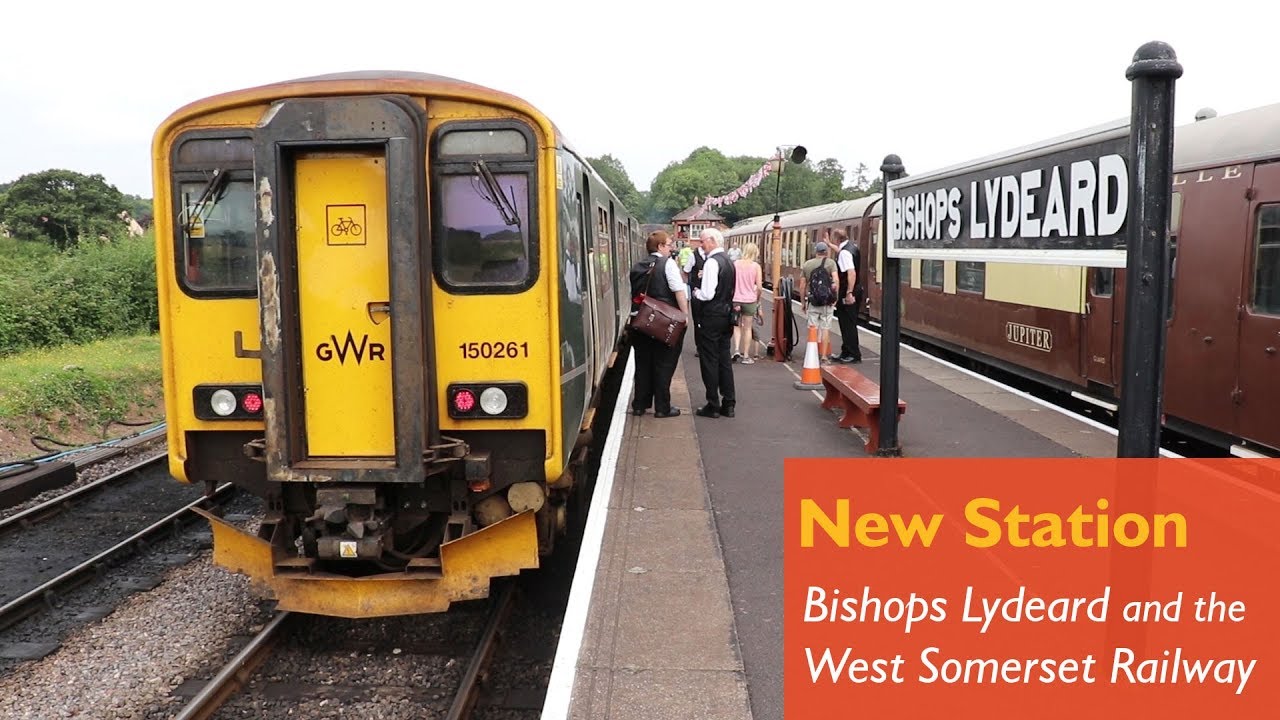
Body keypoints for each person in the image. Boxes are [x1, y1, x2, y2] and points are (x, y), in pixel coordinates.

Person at [628, 231, 690, 418]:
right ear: (660, 246)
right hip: (664, 322)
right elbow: (679, 291)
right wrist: (684, 315)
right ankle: (662, 407)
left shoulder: (638, 265)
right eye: (669, 244)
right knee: (664, 363)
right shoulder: (667, 264)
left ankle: (639, 405)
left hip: (640, 320)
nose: (672, 248)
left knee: (643, 362)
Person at [692, 228, 736, 418]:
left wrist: (696, 292)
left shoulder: (711, 262)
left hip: (711, 316)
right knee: (724, 359)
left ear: (712, 241)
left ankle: (713, 404)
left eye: (702, 241)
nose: (701, 245)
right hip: (726, 314)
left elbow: (707, 294)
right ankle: (729, 403)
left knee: (709, 359)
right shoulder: (729, 261)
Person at [797, 240, 839, 362]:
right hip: (827, 302)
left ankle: (812, 354)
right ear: (826, 252)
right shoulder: (831, 263)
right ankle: (824, 356)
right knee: (825, 328)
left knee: (813, 328)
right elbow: (836, 280)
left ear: (816, 252)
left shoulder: (807, 264)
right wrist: (834, 298)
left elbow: (802, 286)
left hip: (813, 301)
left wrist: (803, 303)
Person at [832, 229, 863, 363]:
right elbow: (841, 252)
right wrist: (828, 244)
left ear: (837, 239)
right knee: (846, 322)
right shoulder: (851, 248)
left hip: (848, 292)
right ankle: (846, 351)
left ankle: (853, 354)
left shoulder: (845, 253)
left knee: (847, 324)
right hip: (854, 290)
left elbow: (851, 273)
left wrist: (849, 292)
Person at [731, 242, 763, 363]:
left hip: (736, 299)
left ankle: (736, 350)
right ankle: (746, 356)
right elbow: (759, 287)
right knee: (748, 328)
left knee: (737, 326)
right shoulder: (756, 266)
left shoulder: (735, 264)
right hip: (750, 300)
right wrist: (757, 298)